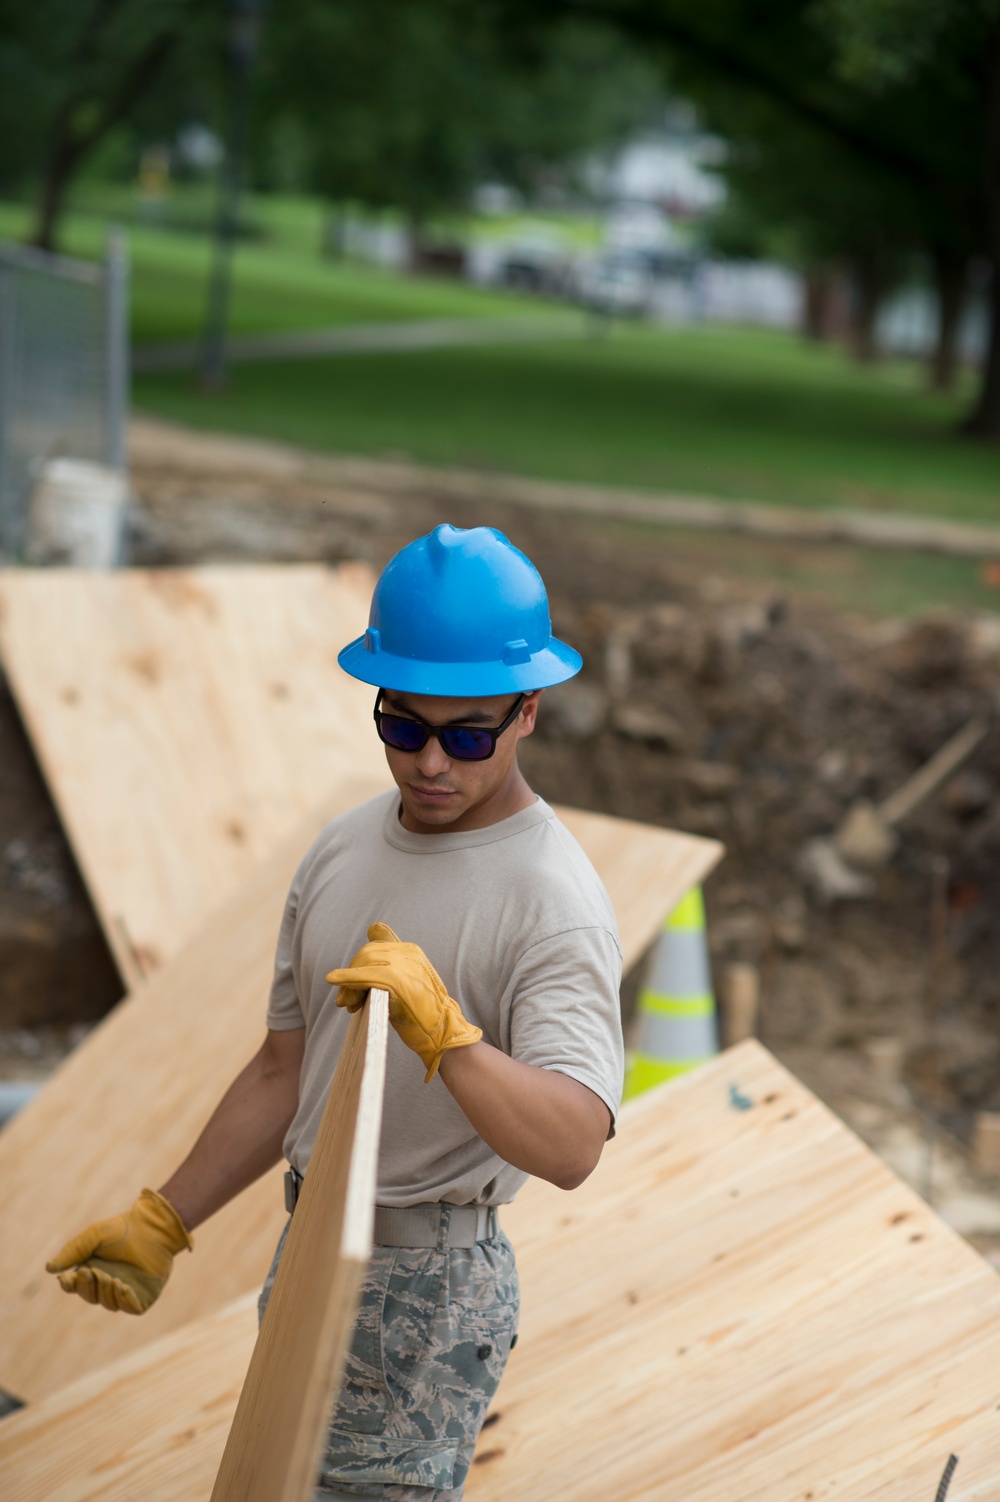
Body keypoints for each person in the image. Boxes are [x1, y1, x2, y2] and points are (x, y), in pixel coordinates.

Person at [46, 523, 625, 1502]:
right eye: (404, 727)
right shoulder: (344, 848)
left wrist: (452, 1038)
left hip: (429, 1287)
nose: (431, 763)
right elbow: (285, 1069)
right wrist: (165, 1218)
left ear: (528, 711)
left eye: (467, 734)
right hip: (312, 1247)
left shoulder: (550, 897)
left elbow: (572, 1144)